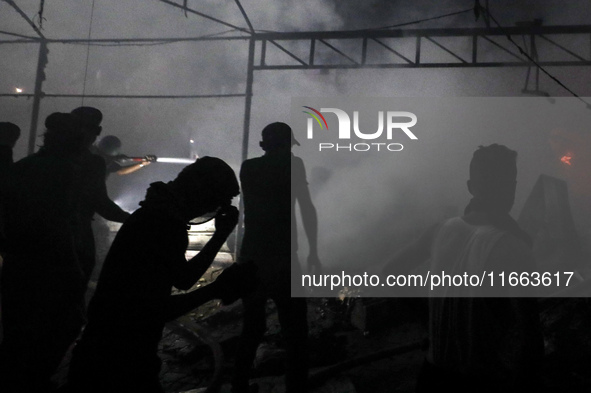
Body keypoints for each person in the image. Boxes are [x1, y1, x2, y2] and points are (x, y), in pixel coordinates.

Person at [67, 156, 256, 393]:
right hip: (118, 358)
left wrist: (219, 236)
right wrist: (216, 289)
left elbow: (183, 279)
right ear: (202, 193)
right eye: (214, 202)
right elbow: (153, 310)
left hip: (110, 350)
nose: (211, 210)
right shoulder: (162, 225)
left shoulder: (157, 216)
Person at [382, 144, 543, 393]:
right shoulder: (515, 249)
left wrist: (431, 322)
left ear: (471, 187)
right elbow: (530, 337)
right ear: (510, 188)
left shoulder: (439, 230)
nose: (510, 190)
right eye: (508, 183)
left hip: (431, 376)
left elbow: (389, 273)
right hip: (480, 382)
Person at [0, 113, 87, 393]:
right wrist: (73, 267)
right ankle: (32, 381)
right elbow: (56, 222)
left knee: (18, 330)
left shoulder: (27, 166)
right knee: (65, 323)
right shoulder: (63, 171)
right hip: (48, 262)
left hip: (18, 261)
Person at [232, 122, 321, 393]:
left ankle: (239, 385)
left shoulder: (248, 168)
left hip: (253, 255)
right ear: (286, 145)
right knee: (295, 328)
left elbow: (248, 210)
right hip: (283, 257)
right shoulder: (294, 165)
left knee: (252, 326)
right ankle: (296, 386)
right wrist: (314, 250)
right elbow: (306, 207)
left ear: (263, 145)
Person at [70, 107, 130, 285]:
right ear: (95, 133)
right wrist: (133, 219)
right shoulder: (92, 163)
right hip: (75, 233)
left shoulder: (36, 162)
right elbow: (102, 204)